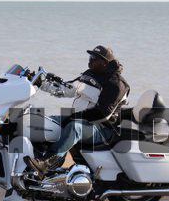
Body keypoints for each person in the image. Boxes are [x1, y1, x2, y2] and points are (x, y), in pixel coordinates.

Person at [28, 45, 130, 173]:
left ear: (104, 63)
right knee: (46, 121)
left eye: (94, 58)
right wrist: (40, 83)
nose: (90, 60)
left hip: (103, 129)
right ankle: (37, 158)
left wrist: (74, 117)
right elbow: (67, 89)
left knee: (75, 128)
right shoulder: (90, 75)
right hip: (80, 120)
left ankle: (47, 162)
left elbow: (103, 114)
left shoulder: (116, 84)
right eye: (90, 56)